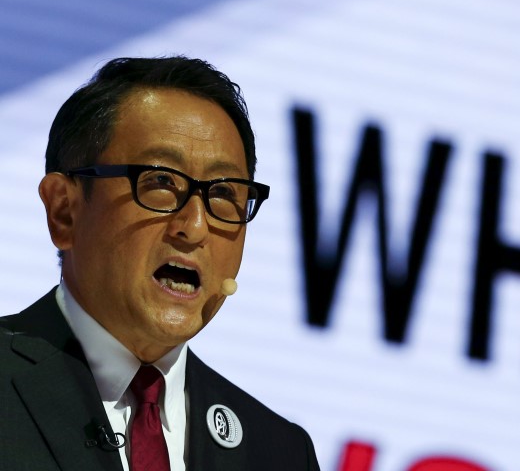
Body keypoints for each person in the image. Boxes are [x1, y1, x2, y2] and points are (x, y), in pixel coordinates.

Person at [0, 56, 321, 470]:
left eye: (224, 193)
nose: (195, 226)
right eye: (160, 182)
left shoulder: (278, 452)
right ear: (64, 211)